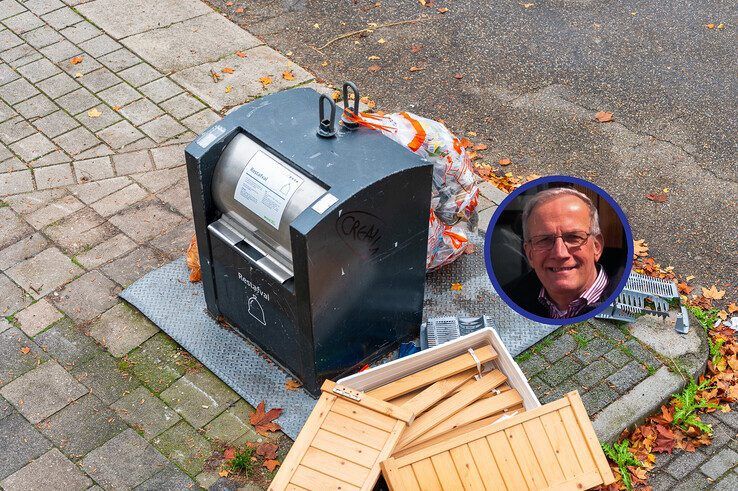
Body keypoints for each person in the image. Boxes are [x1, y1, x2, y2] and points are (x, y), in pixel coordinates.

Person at [504, 187, 619, 319]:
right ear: (530, 254)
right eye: (545, 240)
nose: (560, 253)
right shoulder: (510, 299)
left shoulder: (623, 304)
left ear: (596, 246)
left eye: (573, 237)